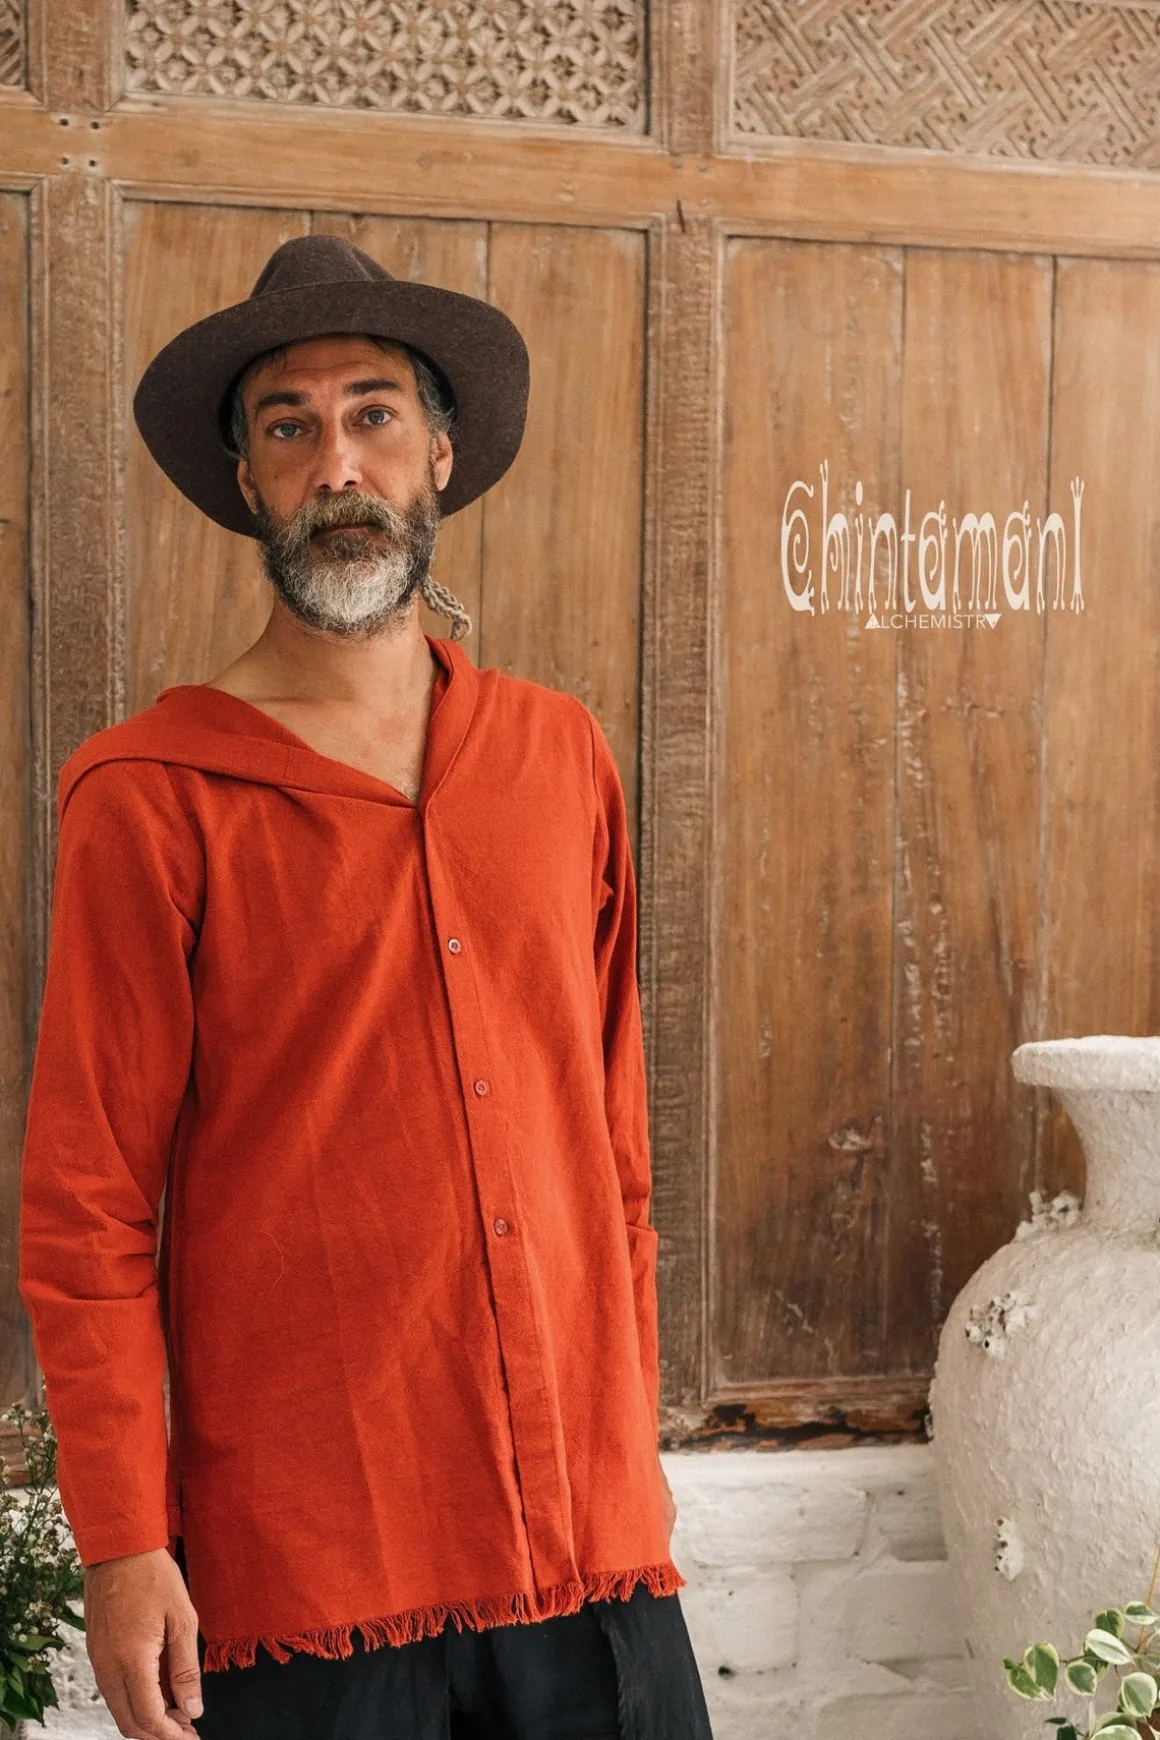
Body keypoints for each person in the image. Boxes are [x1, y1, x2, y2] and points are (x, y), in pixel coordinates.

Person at [18, 236, 715, 1740]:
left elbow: (613, 1147)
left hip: (587, 1543)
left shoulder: (559, 757)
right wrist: (125, 1542)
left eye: (374, 414)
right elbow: (87, 1208)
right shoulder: (149, 797)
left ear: (440, 457)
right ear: (248, 482)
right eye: (289, 426)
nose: (337, 461)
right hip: (316, 1566)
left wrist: (629, 1446)